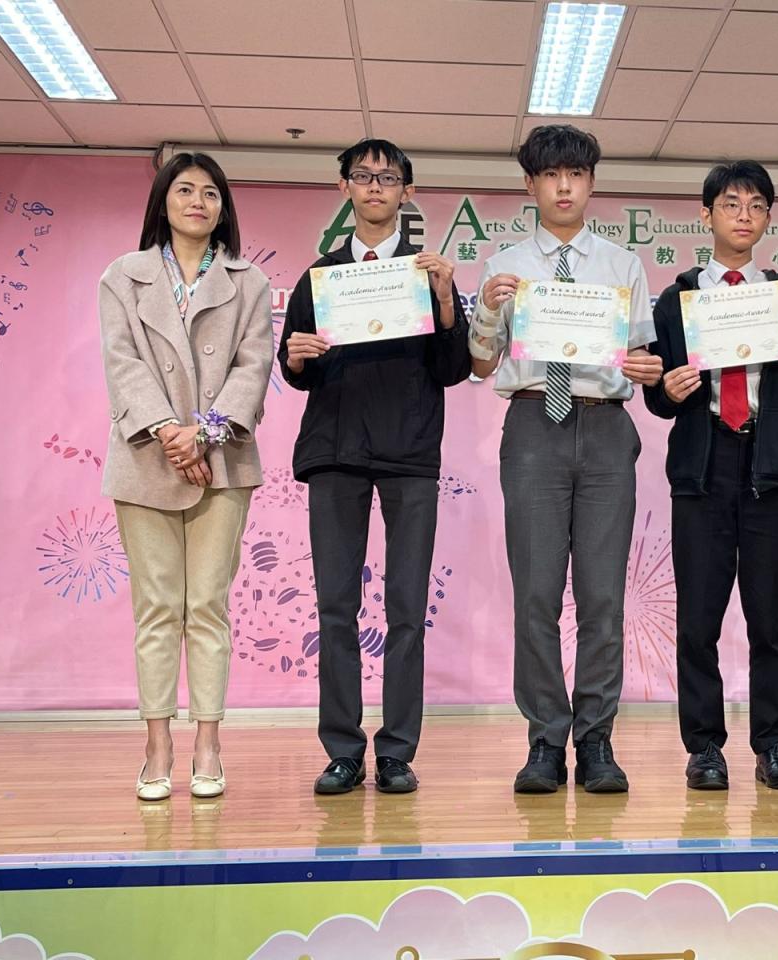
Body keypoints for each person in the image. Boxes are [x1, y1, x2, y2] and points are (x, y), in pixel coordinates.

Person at [468, 124, 662, 794]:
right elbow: (479, 363)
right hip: (533, 427)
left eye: (575, 175)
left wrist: (647, 367)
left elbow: (644, 358)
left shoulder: (623, 266)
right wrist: (487, 312)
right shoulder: (504, 265)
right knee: (536, 595)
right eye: (550, 175)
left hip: (606, 426)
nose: (563, 187)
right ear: (530, 184)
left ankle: (597, 738)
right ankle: (546, 740)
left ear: (591, 183)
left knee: (603, 597)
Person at [278, 138, 470, 796]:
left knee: (407, 609)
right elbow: (298, 371)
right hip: (335, 454)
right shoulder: (319, 278)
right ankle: (342, 750)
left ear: (407, 192)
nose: (375, 187)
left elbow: (453, 368)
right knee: (336, 607)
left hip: (409, 455)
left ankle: (396, 752)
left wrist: (445, 301)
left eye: (389, 178)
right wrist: (297, 357)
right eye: (363, 176)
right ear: (344, 188)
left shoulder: (428, 273)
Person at [644, 160, 778, 791]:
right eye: (730, 204)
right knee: (698, 619)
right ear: (707, 215)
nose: (743, 216)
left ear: (768, 218)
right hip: (703, 465)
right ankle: (704, 748)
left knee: (767, 618)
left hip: (769, 466)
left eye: (755, 206)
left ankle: (775, 746)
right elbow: (658, 394)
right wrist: (667, 390)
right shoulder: (677, 300)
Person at [99, 151, 273, 801]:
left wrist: (205, 431)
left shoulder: (249, 281)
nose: (198, 201)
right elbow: (121, 362)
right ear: (163, 202)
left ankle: (207, 741)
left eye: (210, 193)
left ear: (223, 208)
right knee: (156, 608)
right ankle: (156, 744)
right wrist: (171, 433)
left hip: (223, 463)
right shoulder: (122, 276)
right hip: (145, 461)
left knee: (206, 606)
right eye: (185, 190)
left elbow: (254, 367)